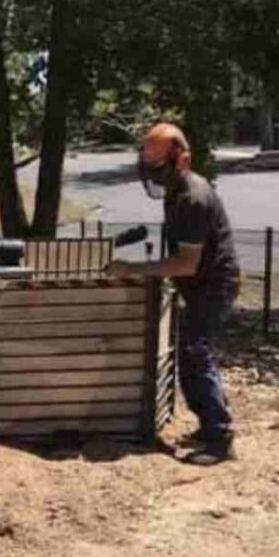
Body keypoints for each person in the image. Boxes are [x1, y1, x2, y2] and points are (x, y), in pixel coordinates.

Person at [108, 122, 240, 465]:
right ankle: (209, 426)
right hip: (201, 283)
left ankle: (219, 438)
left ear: (181, 159)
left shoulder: (192, 196)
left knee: (196, 354)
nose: (154, 176)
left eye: (159, 168)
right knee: (190, 354)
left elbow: (186, 264)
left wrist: (132, 268)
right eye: (149, 168)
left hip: (213, 284)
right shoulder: (176, 189)